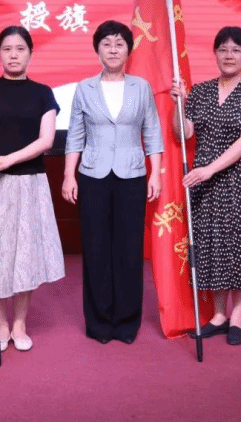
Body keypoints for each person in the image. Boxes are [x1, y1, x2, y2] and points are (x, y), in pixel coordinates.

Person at [0, 25, 65, 352]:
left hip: (28, 182)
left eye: (20, 49)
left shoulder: (43, 93)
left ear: (30, 54)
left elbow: (46, 141)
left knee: (25, 254)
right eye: (7, 49)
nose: (14, 55)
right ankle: (1, 324)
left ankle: (19, 323)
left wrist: (7, 160)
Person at [62, 20, 163, 345]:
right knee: (95, 248)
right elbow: (75, 135)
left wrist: (156, 173)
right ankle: (99, 322)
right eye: (107, 43)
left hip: (132, 175)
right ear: (97, 50)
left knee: (129, 249)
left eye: (120, 44)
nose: (113, 49)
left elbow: (153, 131)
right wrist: (69, 175)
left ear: (129, 50)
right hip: (93, 175)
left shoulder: (141, 87)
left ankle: (127, 322)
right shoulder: (84, 88)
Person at [169, 26, 241, 346]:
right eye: (223, 49)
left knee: (239, 246)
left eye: (236, 50)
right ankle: (217, 315)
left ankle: (236, 316)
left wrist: (209, 170)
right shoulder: (200, 91)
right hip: (206, 183)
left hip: (240, 181)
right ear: (214, 53)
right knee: (212, 245)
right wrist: (178, 103)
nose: (229, 55)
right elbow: (183, 133)